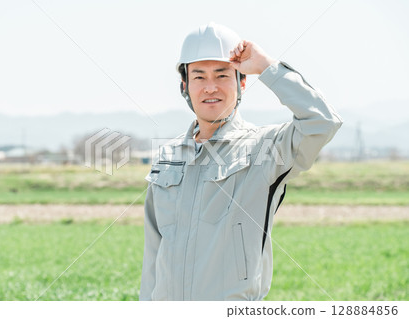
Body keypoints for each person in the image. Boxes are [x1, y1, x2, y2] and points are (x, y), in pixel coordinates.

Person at [139, 22, 342, 301]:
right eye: (199, 77)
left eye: (222, 75)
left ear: (241, 82)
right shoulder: (169, 157)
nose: (210, 88)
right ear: (185, 86)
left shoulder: (264, 149)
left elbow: (322, 121)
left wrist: (267, 67)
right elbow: (154, 253)